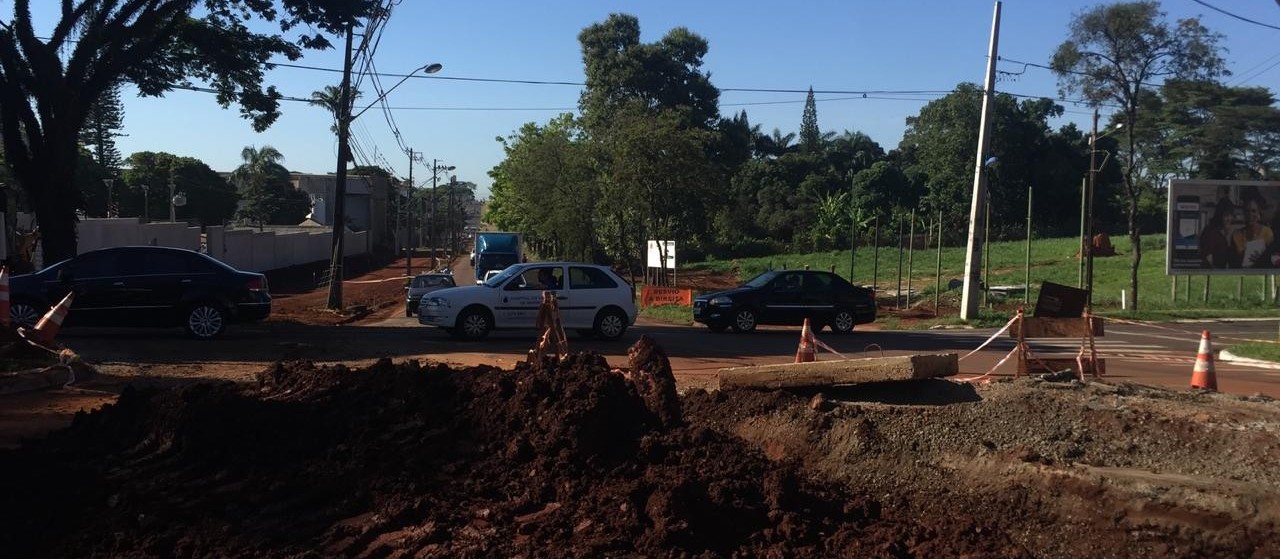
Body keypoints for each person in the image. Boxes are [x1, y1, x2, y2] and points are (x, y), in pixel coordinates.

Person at [1231, 194, 1275, 268]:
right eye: (1247, 211)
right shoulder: (1236, 235)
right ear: (1243, 213)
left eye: (1253, 211)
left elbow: (1273, 258)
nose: (1250, 214)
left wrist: (1263, 259)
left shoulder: (1267, 233)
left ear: (1258, 213)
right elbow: (1232, 263)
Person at [1199, 201, 1236, 269]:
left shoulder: (1229, 232)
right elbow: (1208, 258)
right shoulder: (1210, 231)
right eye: (1226, 216)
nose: (1229, 219)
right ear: (1219, 216)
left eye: (1231, 215)